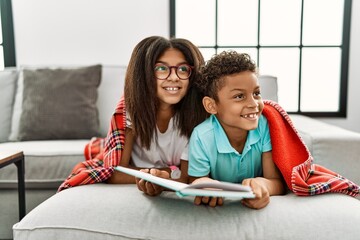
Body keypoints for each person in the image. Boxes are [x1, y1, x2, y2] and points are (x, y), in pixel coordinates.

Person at [105, 36, 208, 196]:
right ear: (144, 74)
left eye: (182, 69)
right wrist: (163, 173)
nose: (174, 77)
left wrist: (166, 177)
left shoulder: (198, 115)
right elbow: (114, 172)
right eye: (161, 68)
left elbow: (186, 177)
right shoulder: (128, 111)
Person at [188, 51, 285, 209]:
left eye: (256, 93)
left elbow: (276, 183)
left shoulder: (264, 126)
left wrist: (263, 186)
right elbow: (195, 181)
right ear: (211, 105)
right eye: (239, 96)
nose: (254, 103)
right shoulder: (201, 136)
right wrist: (204, 185)